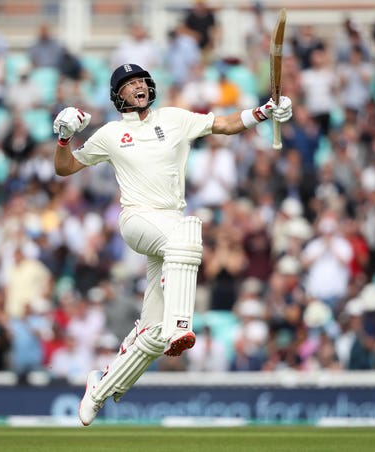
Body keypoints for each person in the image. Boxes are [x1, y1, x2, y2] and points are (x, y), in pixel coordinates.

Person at [52, 63, 292, 426]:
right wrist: (64, 138)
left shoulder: (175, 118)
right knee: (188, 236)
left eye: (141, 81)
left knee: (153, 335)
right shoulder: (112, 134)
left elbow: (223, 125)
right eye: (130, 84)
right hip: (137, 219)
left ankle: (99, 388)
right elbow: (65, 168)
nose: (138, 87)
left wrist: (262, 112)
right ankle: (181, 325)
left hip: (169, 221)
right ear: (118, 95)